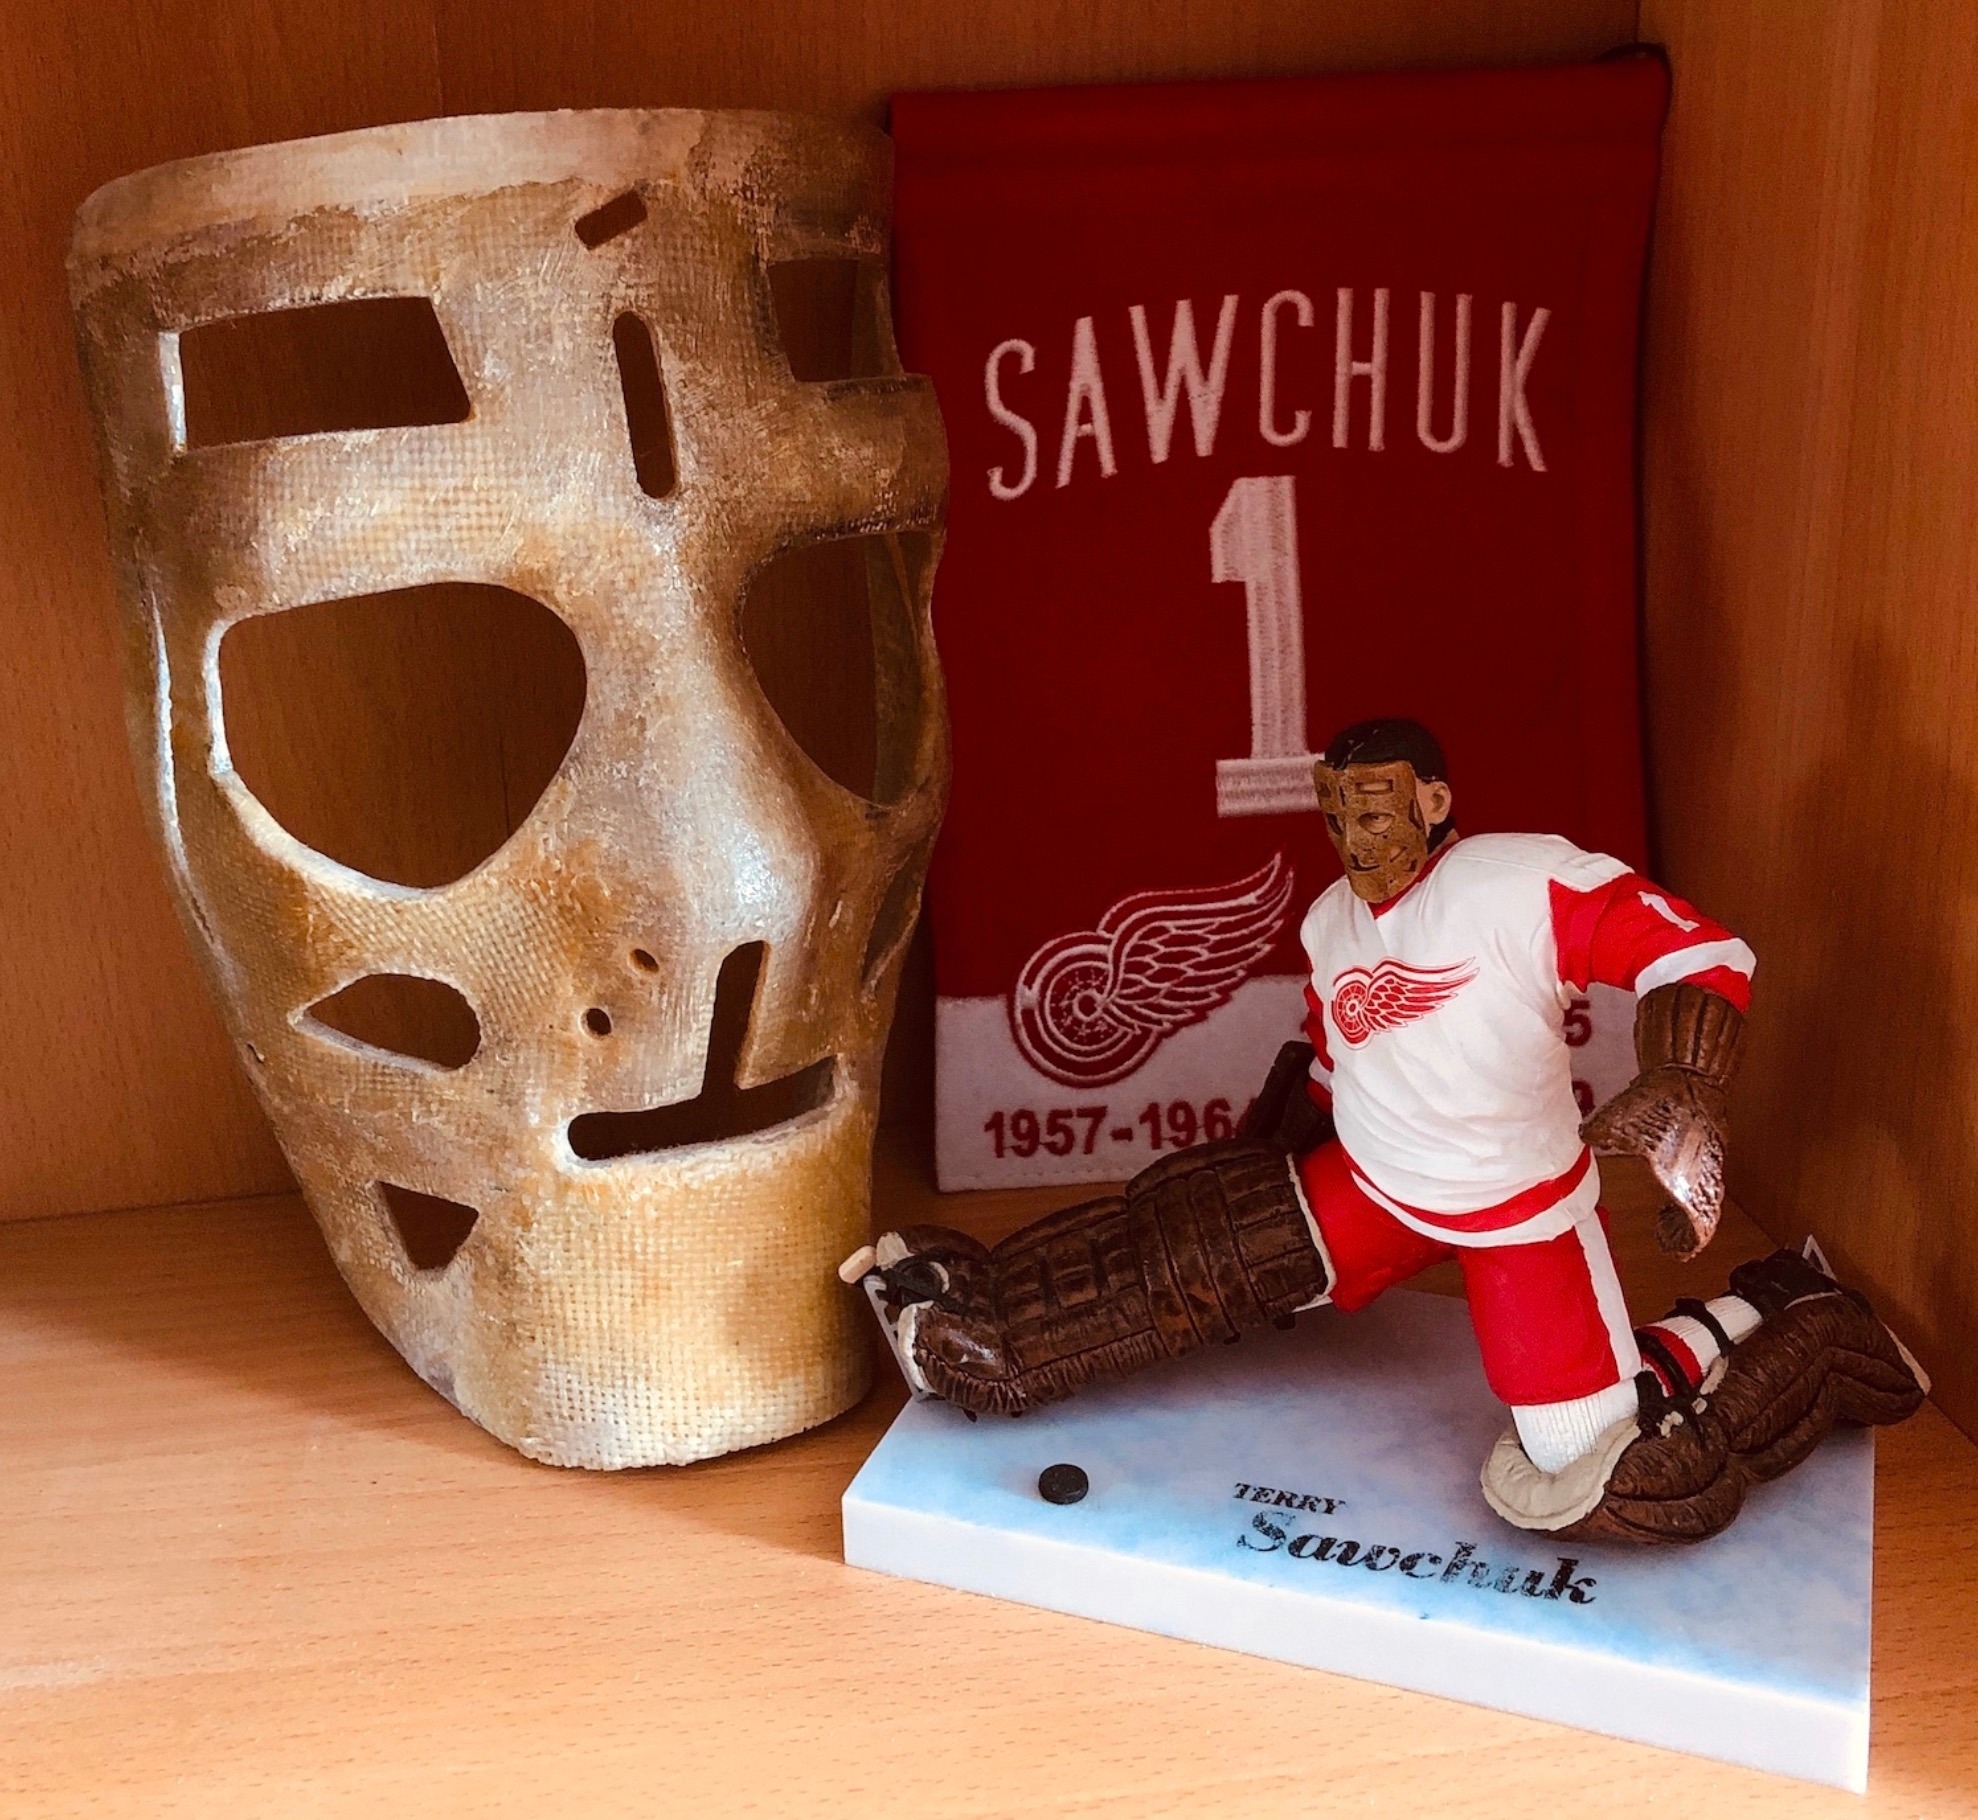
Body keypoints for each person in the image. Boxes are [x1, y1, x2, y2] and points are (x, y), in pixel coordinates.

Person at [847, 719, 1924, 1542]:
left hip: (1518, 1213)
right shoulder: (1330, 922)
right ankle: (962, 1308)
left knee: (1615, 1477)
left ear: (1435, 801)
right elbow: (1333, 1060)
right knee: (1187, 1254)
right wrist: (1251, 1177)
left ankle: (1784, 1312)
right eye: (1337, 818)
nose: (1354, 840)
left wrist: (1684, 1075)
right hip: (1372, 1186)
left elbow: (1697, 951)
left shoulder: (1515, 880)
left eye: (1375, 814)